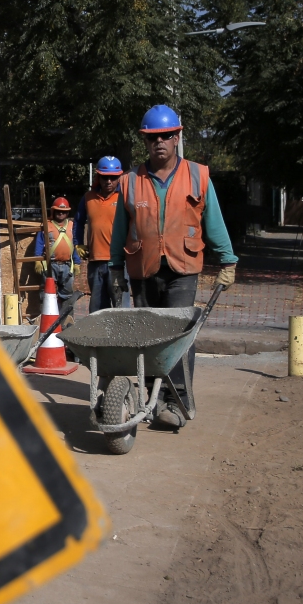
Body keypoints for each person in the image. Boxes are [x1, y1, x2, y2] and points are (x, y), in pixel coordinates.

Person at [109, 105, 238, 428]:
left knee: (179, 336)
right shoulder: (129, 181)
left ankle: (176, 398)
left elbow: (215, 222)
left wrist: (228, 259)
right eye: (153, 138)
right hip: (143, 269)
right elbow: (119, 231)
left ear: (178, 137)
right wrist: (114, 269)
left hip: (182, 270)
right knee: (148, 337)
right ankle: (152, 395)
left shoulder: (198, 175)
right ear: (145, 141)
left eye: (167, 136)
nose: (160, 142)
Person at [73, 156, 123, 312]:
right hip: (95, 262)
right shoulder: (88, 198)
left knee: (121, 307)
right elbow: (78, 222)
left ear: (119, 178)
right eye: (104, 177)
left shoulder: (124, 197)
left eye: (113, 178)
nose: (109, 181)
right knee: (97, 309)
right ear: (98, 177)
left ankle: (121, 337)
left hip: (119, 263)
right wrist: (78, 243)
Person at [34, 196, 81, 306]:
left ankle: (66, 321)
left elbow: (74, 246)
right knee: (47, 295)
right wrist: (37, 259)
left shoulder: (71, 226)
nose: (61, 214)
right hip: (50, 265)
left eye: (64, 212)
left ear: (67, 213)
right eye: (58, 211)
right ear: (53, 211)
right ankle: (47, 320)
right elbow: (40, 243)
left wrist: (77, 262)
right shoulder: (47, 225)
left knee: (67, 297)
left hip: (67, 266)